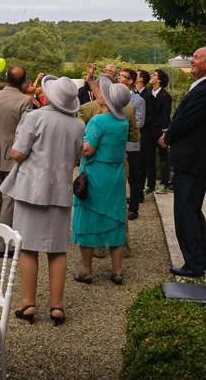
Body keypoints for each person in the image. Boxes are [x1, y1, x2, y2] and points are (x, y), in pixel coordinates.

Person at [0, 75, 84, 327]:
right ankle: (57, 306)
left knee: (27, 247)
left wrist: (15, 146)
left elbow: (18, 153)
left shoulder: (35, 117)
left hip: (31, 189)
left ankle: (29, 303)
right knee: (57, 249)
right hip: (60, 190)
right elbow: (77, 157)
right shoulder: (78, 125)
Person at [160, 47, 206, 279]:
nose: (191, 59)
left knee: (185, 213)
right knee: (193, 211)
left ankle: (194, 264)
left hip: (193, 161)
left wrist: (168, 136)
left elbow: (187, 120)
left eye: (196, 57)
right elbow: (190, 121)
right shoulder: (205, 88)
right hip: (194, 160)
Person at [71, 69, 130, 286]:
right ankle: (117, 270)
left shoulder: (98, 122)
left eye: (103, 93)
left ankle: (87, 270)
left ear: (106, 100)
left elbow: (87, 150)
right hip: (115, 174)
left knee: (87, 219)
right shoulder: (122, 122)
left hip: (95, 175)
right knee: (115, 220)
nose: (99, 94)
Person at [0, 64, 31, 254]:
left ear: (7, 79)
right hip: (13, 153)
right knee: (8, 199)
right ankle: (3, 245)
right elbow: (23, 129)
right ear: (24, 81)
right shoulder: (25, 101)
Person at [116, 69, 145, 220]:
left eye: (122, 76)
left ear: (130, 81)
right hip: (114, 145)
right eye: (119, 75)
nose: (119, 78)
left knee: (133, 178)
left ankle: (133, 208)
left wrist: (119, 128)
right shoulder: (112, 97)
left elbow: (139, 122)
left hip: (130, 145)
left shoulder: (139, 101)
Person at [142, 70, 172, 194]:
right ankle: (150, 184)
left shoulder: (165, 96)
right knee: (149, 158)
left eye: (154, 75)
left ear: (159, 80)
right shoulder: (148, 94)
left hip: (160, 131)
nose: (151, 76)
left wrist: (164, 133)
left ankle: (164, 183)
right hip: (149, 131)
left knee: (163, 158)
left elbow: (166, 115)